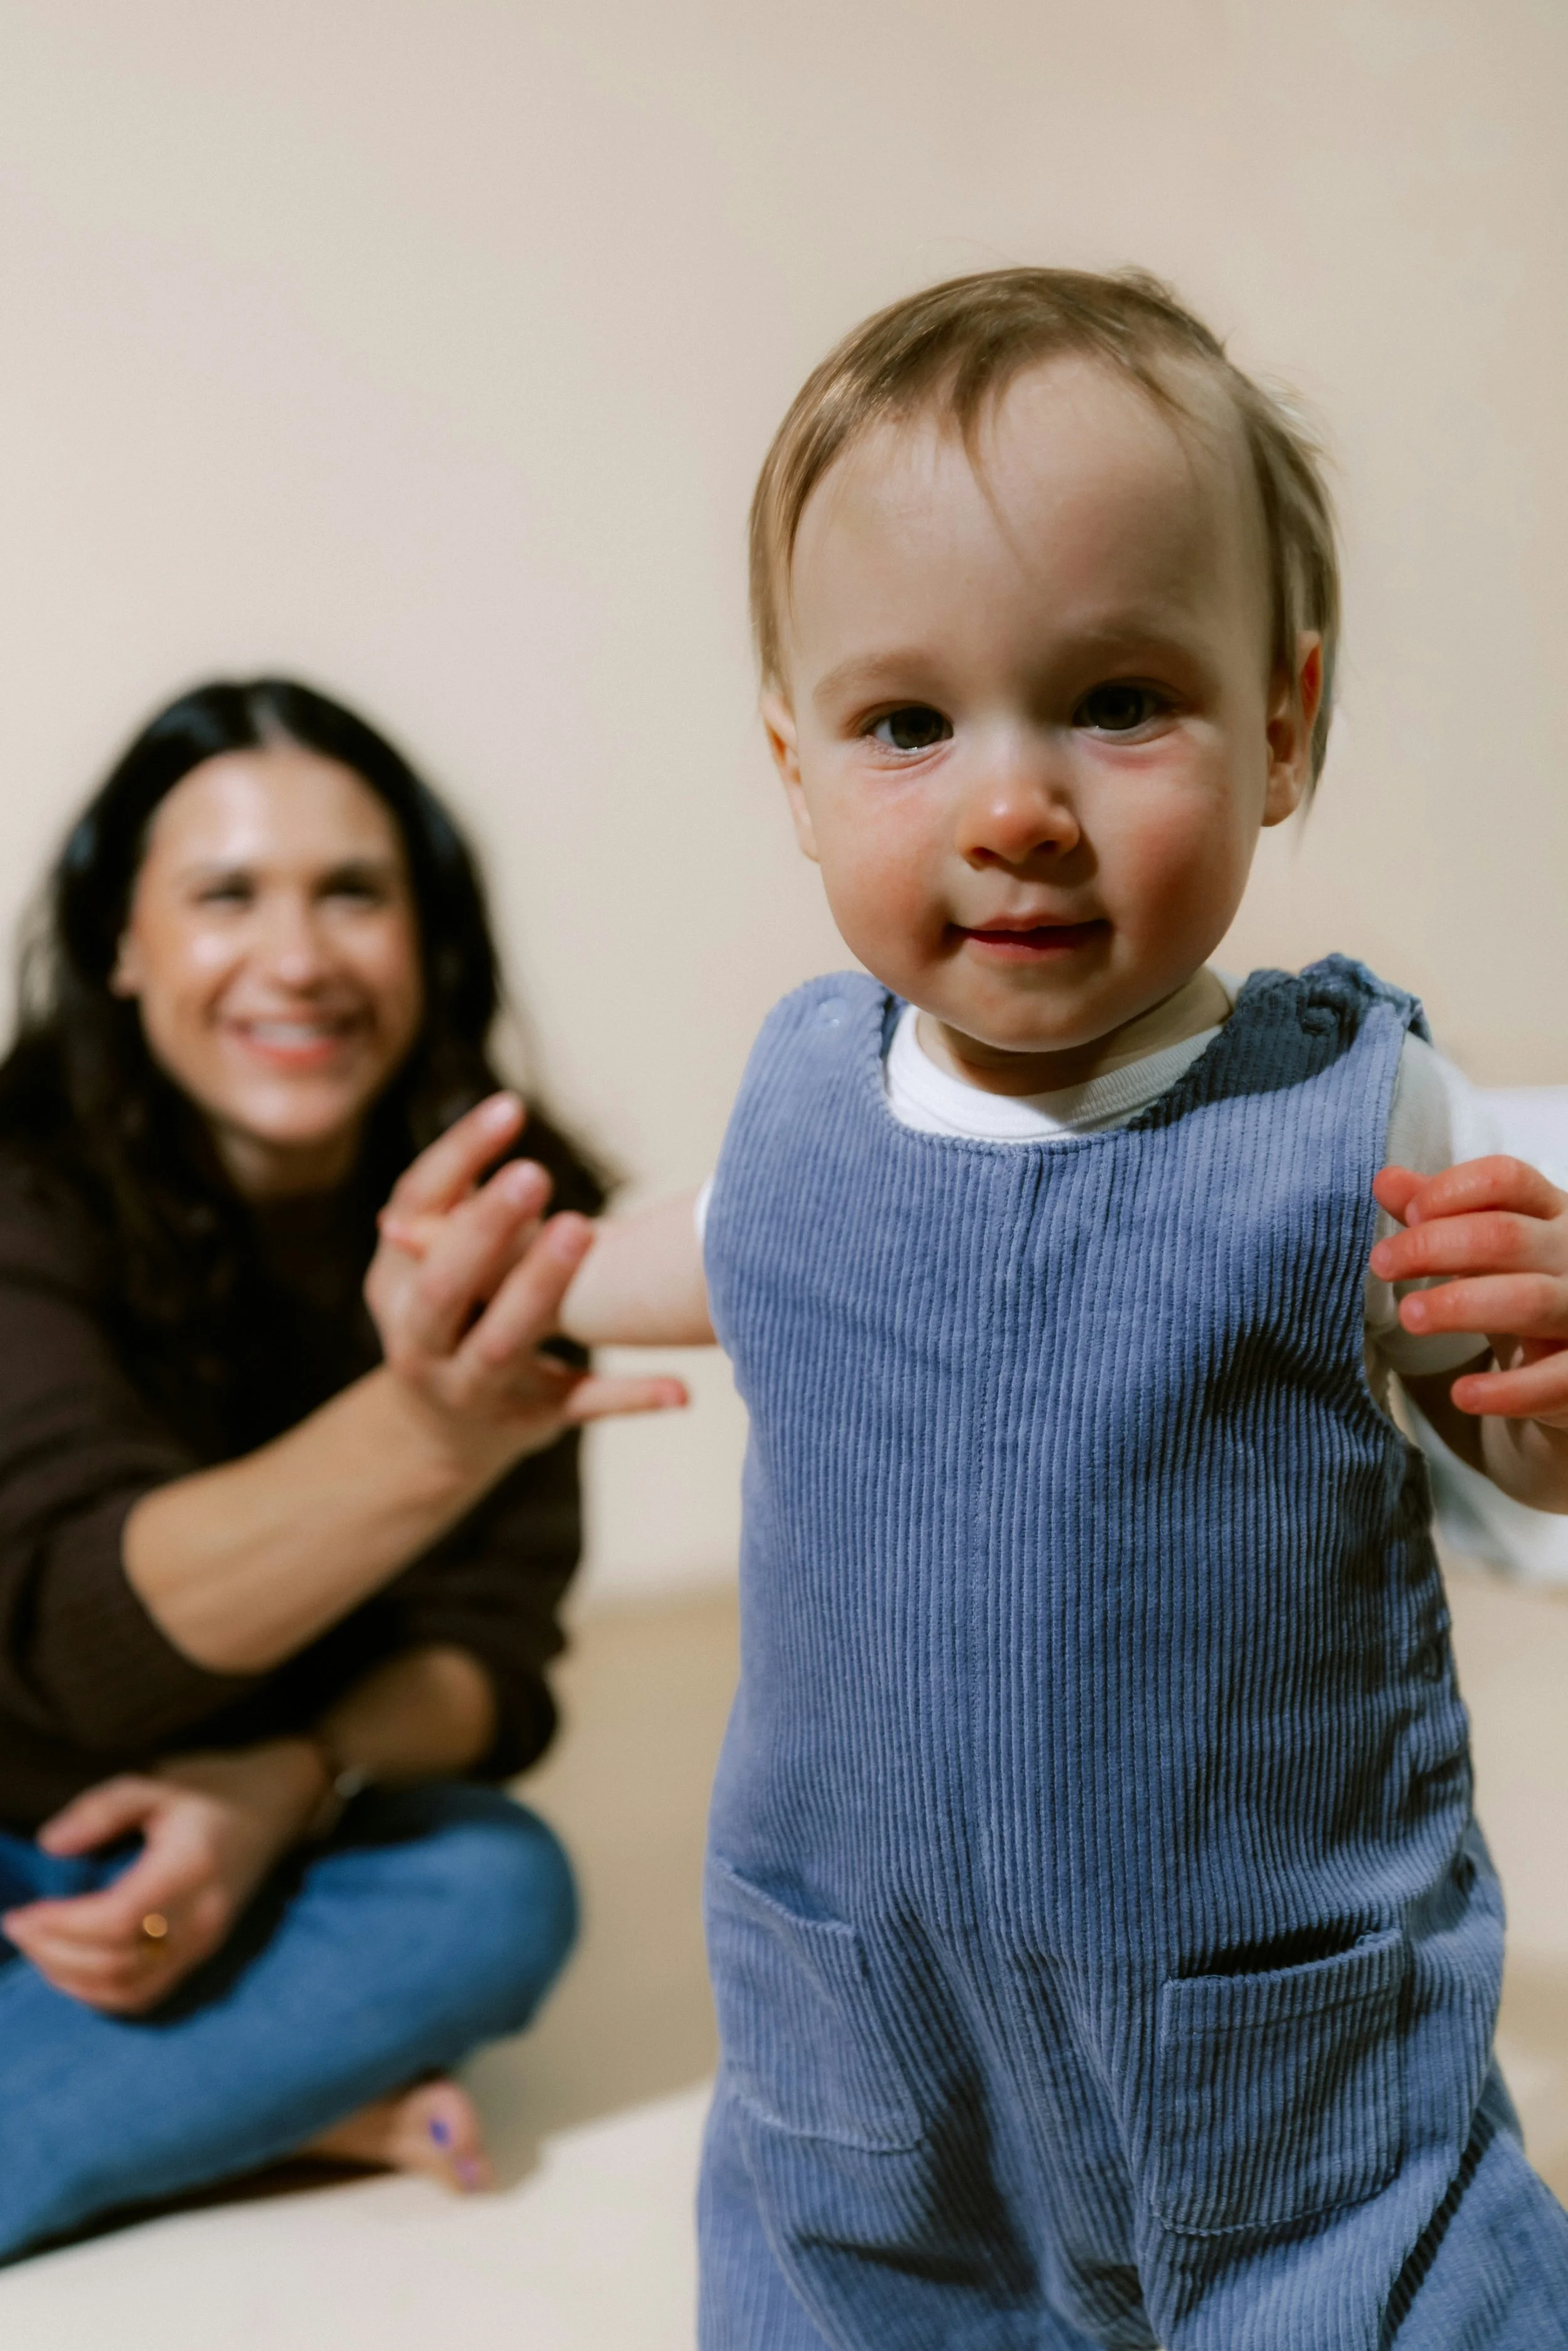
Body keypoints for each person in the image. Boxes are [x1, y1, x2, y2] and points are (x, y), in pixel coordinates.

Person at [413, 270, 1568, 2343]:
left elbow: (1495, 1393)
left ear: (1282, 719)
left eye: (1118, 700)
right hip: (873, 2053)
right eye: (908, 723)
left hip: (1277, 2077)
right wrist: (537, 1282)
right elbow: (733, 1248)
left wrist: (1540, 1410)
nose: (1013, 803)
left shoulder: (1345, 1113)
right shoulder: (804, 1100)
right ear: (795, 760)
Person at [0, 677, 682, 2261]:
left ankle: (159, 2096)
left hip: (259, 1836)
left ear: (425, 938)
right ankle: (267, 2106)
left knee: (493, 1891)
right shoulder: (22, 1183)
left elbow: (487, 1659)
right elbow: (81, 1643)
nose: (296, 956)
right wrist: (429, 1423)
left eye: (352, 894)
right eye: (226, 894)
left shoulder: (517, 1213)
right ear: (125, 944)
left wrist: (285, 1780)